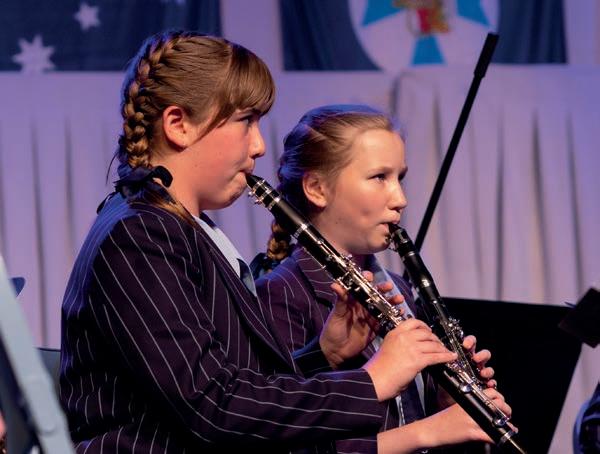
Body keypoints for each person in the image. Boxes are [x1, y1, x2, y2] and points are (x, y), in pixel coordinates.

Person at [59, 31, 471, 453]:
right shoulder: (142, 233)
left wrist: (323, 354)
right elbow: (211, 407)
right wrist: (373, 381)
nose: (258, 146)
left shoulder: (187, 230)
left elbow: (240, 388)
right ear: (179, 125)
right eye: (246, 121)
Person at [254, 104, 508, 453]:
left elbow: (405, 416)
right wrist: (429, 431)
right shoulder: (280, 292)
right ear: (316, 188)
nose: (400, 199)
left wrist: (447, 404)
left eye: (399, 177)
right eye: (379, 178)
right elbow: (287, 438)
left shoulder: (397, 286)